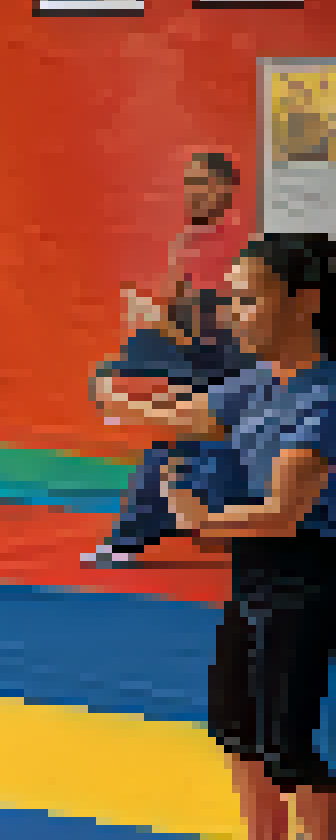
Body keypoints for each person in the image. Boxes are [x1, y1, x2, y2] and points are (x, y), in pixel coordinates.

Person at [102, 233, 336, 840]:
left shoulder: (322, 397)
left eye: (247, 297)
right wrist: (117, 397)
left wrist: (201, 520)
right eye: (231, 297)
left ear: (305, 301)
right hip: (256, 574)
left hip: (307, 575)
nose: (234, 312)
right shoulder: (259, 382)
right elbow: (193, 416)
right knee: (235, 719)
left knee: (289, 740)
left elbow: (282, 511)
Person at [90, 151, 259, 567]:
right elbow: (175, 304)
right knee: (175, 447)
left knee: (227, 447)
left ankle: (135, 536)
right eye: (188, 184)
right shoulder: (186, 241)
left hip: (229, 361)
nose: (192, 194)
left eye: (202, 185)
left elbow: (228, 312)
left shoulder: (242, 243)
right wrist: (159, 324)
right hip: (199, 360)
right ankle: (131, 536)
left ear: (225, 190)